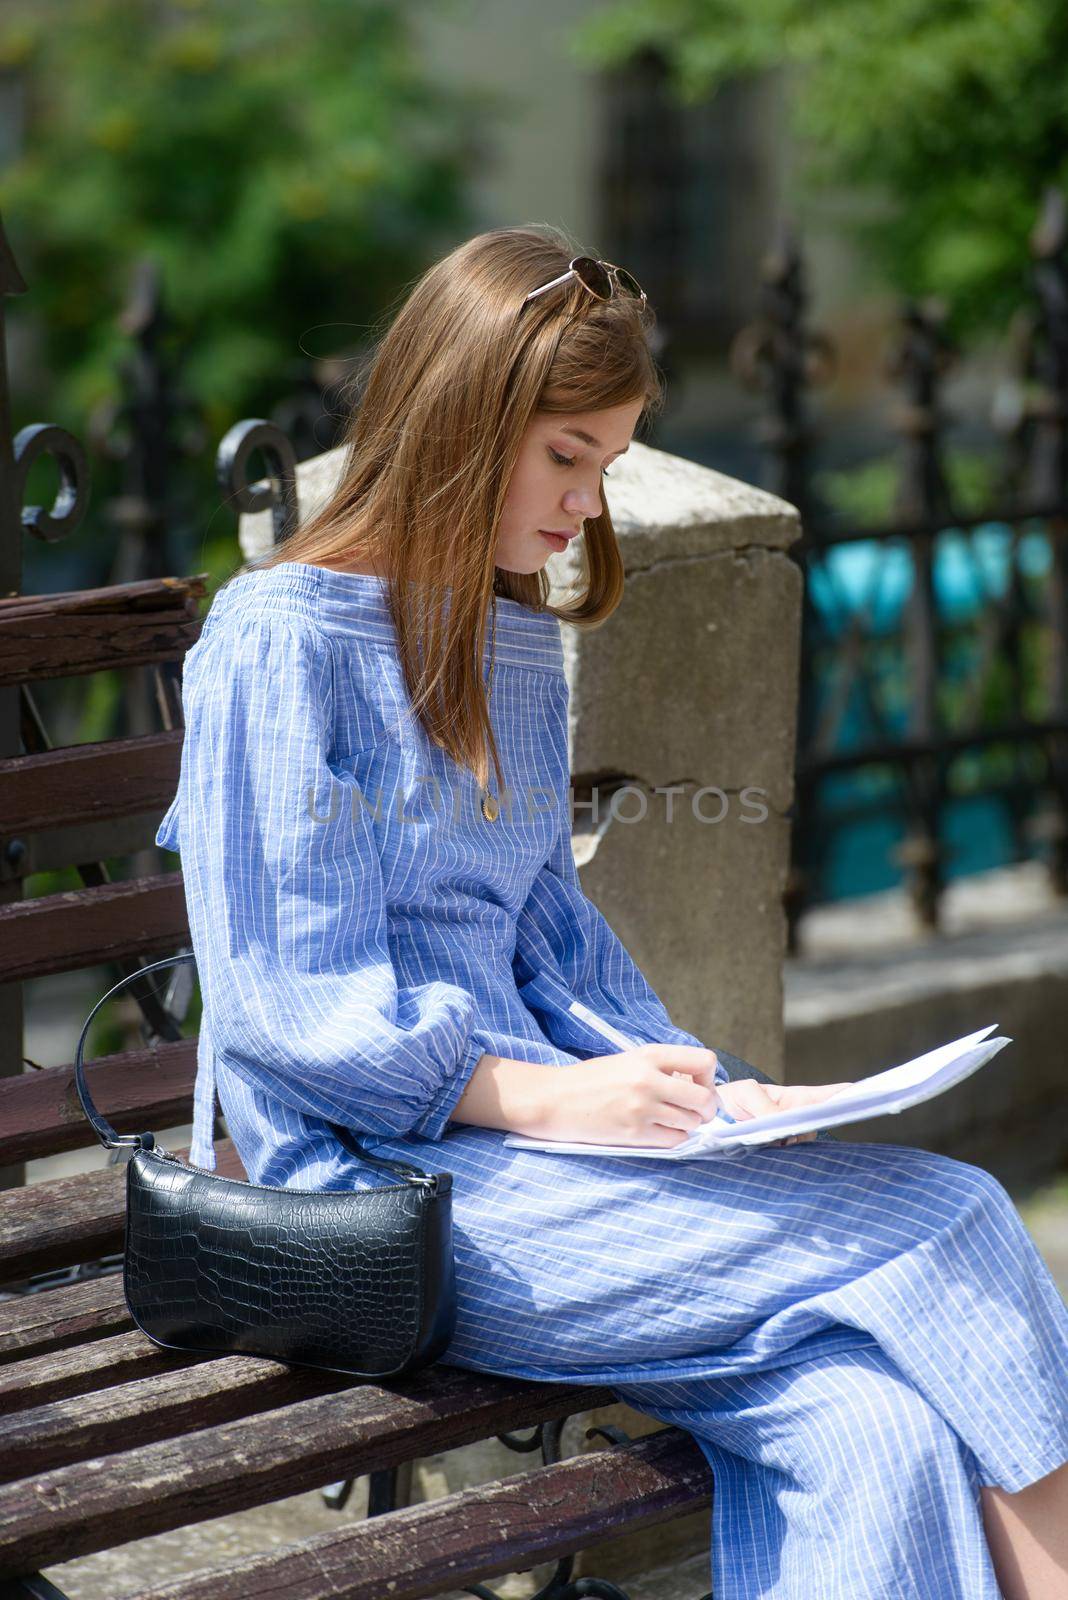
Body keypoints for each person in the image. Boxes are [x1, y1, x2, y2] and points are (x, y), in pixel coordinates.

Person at [157, 224, 1068, 1599]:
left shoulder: (502, 642)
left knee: (867, 1420)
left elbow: (553, 944)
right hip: (376, 1200)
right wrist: (539, 1101)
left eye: (608, 463)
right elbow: (292, 1002)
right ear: (460, 424)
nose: (587, 502)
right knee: (949, 1224)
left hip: (536, 1176)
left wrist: (713, 1092)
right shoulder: (277, 644)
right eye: (566, 455)